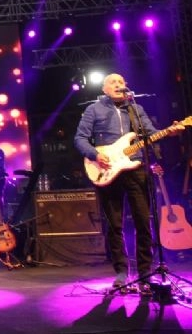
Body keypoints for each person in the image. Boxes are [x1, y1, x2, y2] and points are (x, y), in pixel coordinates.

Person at [74, 73, 183, 292]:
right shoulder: (94, 109)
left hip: (136, 168)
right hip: (107, 169)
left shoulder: (135, 109)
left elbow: (150, 134)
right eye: (113, 82)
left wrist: (169, 132)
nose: (118, 85)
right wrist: (95, 155)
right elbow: (80, 138)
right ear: (104, 89)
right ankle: (121, 274)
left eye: (121, 82)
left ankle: (145, 274)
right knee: (115, 225)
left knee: (144, 221)